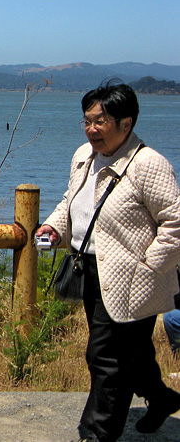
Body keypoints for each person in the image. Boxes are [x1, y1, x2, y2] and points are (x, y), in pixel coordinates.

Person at [36, 80, 180, 442]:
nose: (91, 129)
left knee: (105, 357)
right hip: (91, 270)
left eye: (100, 122)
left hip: (134, 278)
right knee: (130, 351)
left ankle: (95, 433)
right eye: (86, 121)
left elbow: (175, 222)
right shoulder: (83, 156)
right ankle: (161, 398)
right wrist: (54, 227)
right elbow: (73, 199)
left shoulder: (149, 164)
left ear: (126, 124)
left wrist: (149, 268)